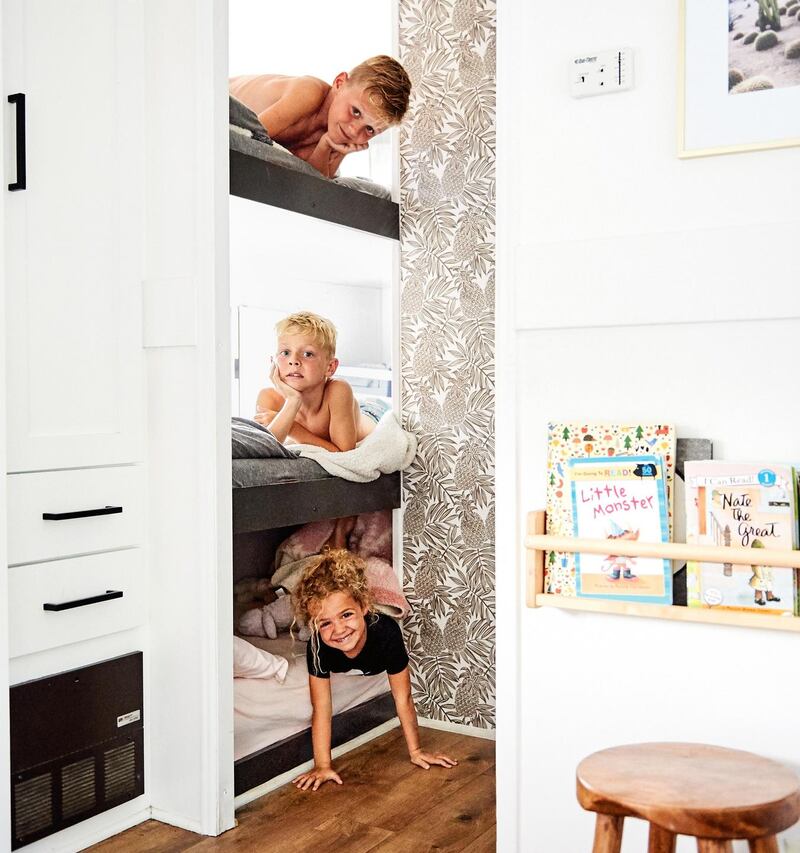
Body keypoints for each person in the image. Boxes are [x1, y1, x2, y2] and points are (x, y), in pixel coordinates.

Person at [291, 549, 457, 791]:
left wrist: (416, 751)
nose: (338, 630)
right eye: (325, 622)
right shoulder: (317, 644)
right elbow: (322, 707)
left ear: (364, 607)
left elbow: (403, 698)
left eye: (346, 615)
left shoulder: (386, 633)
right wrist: (323, 765)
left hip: (377, 631)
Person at [229, 56, 411, 178]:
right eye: (356, 111)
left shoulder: (338, 135)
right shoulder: (309, 93)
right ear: (339, 83)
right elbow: (252, 137)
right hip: (220, 97)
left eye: (370, 129)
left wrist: (325, 146)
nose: (354, 130)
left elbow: (317, 182)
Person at [254, 310, 385, 453]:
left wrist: (292, 427)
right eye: (285, 352)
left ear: (330, 367)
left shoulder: (338, 390)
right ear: (273, 361)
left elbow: (344, 453)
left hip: (372, 412)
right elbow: (263, 450)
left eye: (307, 354)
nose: (293, 361)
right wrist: (293, 400)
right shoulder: (269, 398)